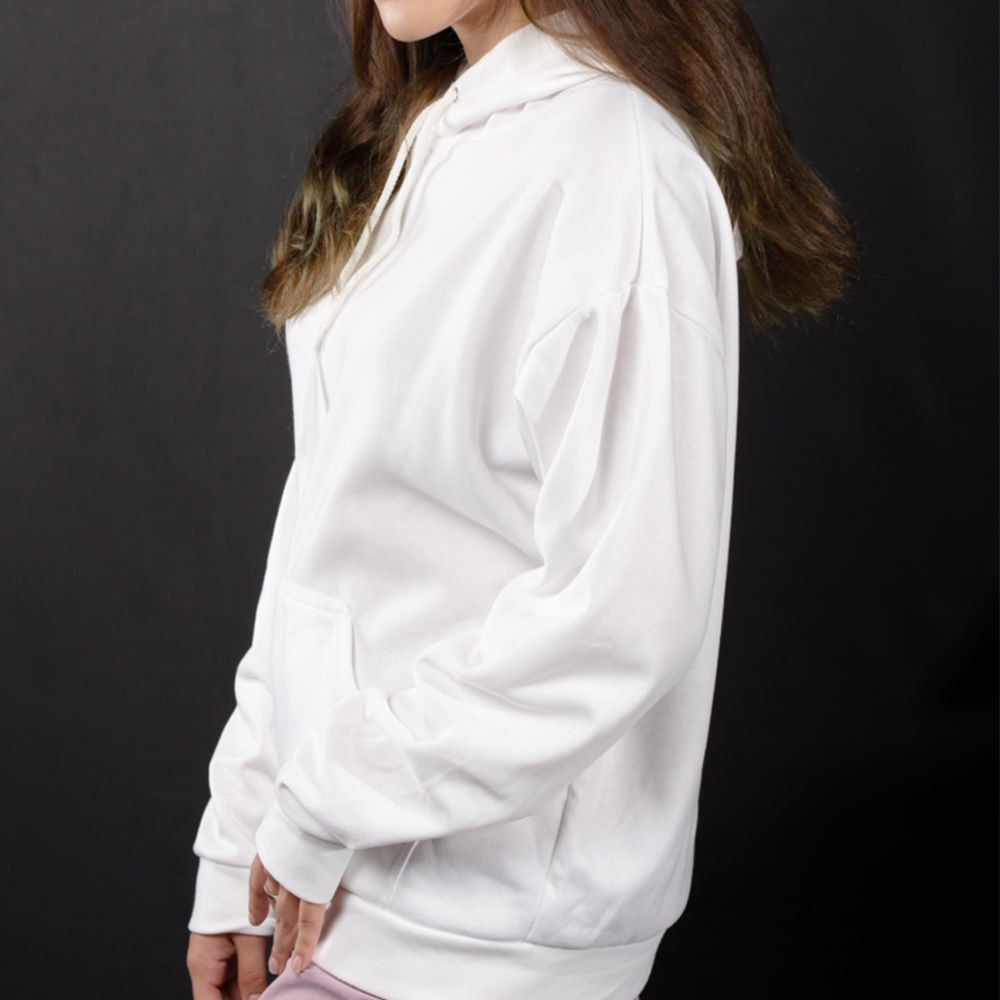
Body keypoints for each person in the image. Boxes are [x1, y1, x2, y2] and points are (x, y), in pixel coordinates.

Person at [185, 1, 861, 998]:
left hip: (482, 938)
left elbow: (622, 610)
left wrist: (320, 806)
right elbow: (327, 528)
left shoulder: (619, 167)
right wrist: (240, 835)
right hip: (325, 900)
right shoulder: (432, 130)